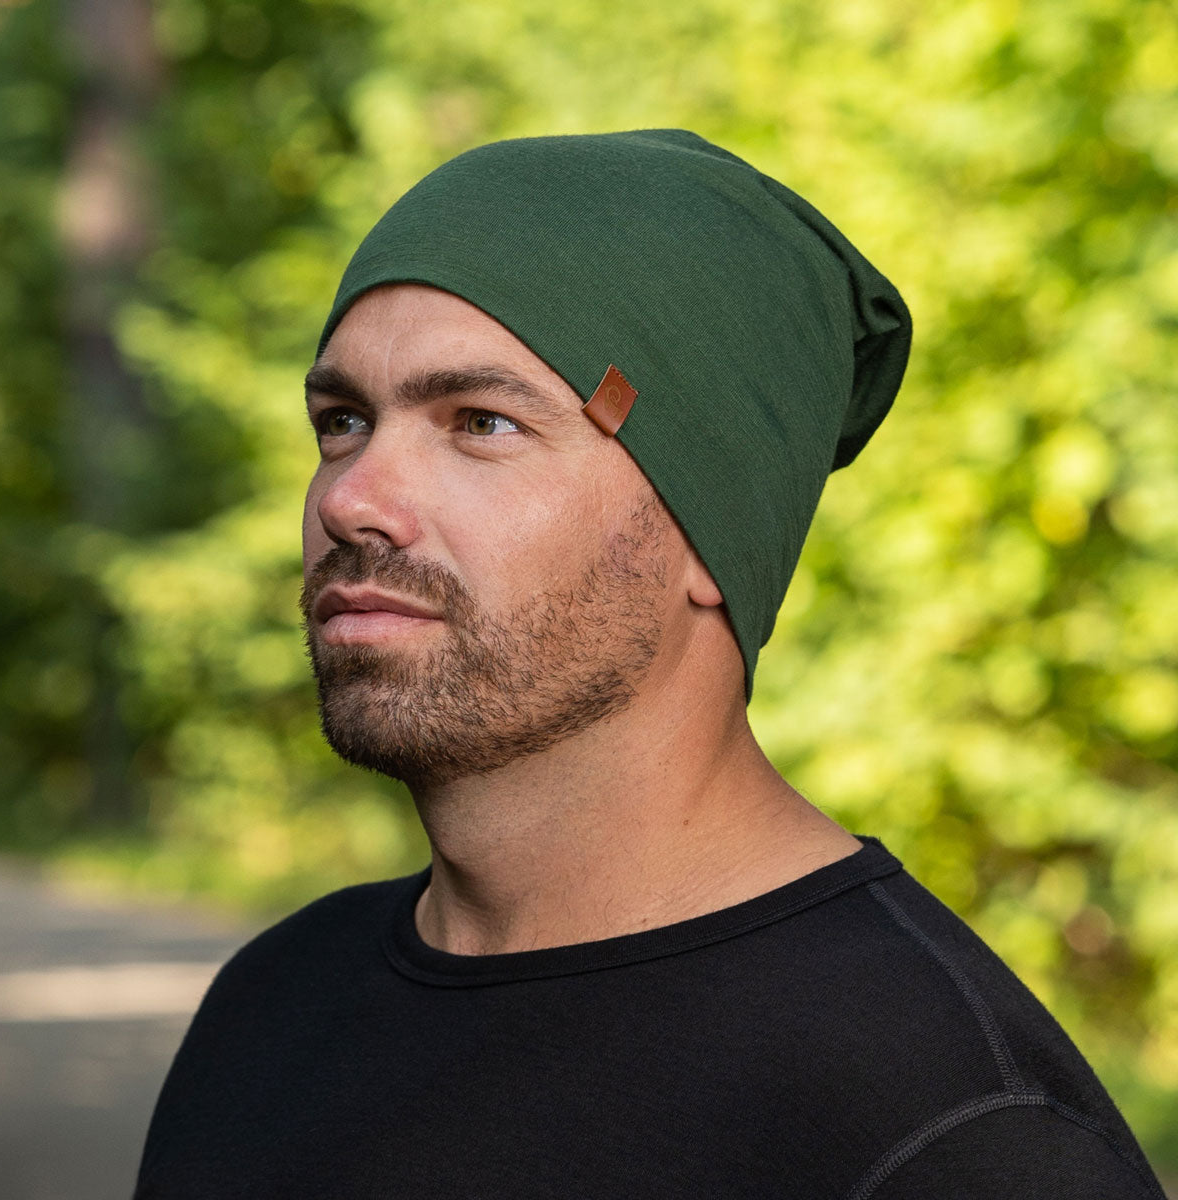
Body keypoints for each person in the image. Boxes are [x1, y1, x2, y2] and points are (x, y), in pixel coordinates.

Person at [133, 130, 1166, 1198]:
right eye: (344, 421)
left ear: (707, 528)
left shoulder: (951, 1132)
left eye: (480, 423)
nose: (348, 499)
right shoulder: (273, 1007)